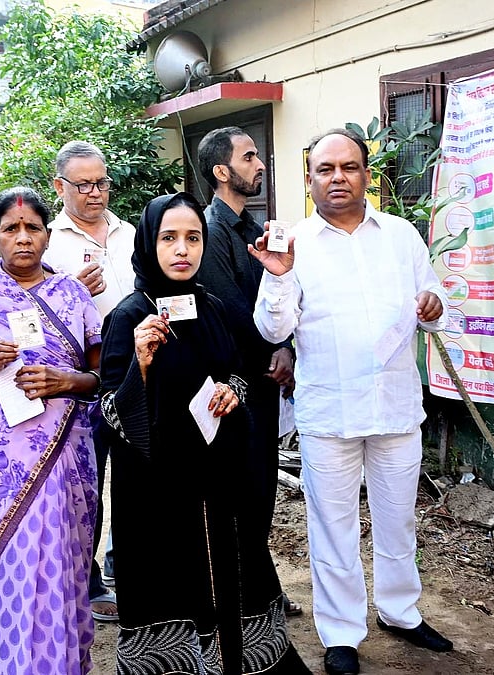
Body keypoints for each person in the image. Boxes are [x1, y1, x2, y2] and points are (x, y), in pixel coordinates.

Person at [250, 129, 452, 675]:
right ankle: (340, 632)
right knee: (332, 527)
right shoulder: (294, 245)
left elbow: (438, 310)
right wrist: (277, 277)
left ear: (368, 174)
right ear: (309, 179)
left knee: (397, 520)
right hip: (328, 414)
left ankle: (400, 611)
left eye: (349, 167)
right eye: (326, 169)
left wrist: (434, 307)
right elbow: (272, 329)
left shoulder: (402, 235)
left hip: (394, 408)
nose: (338, 177)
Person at [99, 192, 310, 674]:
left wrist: (232, 392)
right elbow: (110, 409)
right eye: (169, 238)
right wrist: (142, 366)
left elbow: (236, 370)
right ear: (149, 243)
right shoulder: (129, 317)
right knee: (174, 587)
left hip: (220, 483)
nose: (182, 249)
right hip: (160, 496)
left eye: (193, 237)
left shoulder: (211, 306)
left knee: (236, 576)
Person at [0, 186, 103, 674]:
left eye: (33, 228)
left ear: (48, 235)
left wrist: (66, 380)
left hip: (67, 454)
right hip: (5, 468)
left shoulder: (72, 295)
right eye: (12, 229)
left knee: (64, 563)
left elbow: (102, 376)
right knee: (15, 567)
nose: (23, 238)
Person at [195, 126, 301, 618]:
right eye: (250, 156)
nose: (260, 165)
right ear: (222, 172)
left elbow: (280, 297)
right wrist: (273, 352)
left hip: (264, 381)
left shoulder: (251, 229)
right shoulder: (209, 232)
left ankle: (260, 589)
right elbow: (231, 309)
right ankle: (245, 598)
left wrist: (287, 348)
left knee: (260, 492)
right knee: (241, 494)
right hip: (232, 385)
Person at [42, 139, 138, 622]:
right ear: (61, 187)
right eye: (83, 185)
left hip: (135, 374)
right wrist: (72, 293)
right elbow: (30, 315)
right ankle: (89, 577)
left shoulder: (132, 232)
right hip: (84, 381)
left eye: (101, 182)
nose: (95, 192)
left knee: (136, 475)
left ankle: (127, 563)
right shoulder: (49, 242)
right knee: (87, 482)